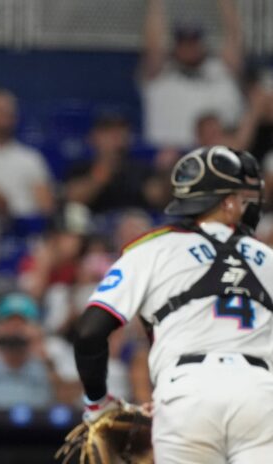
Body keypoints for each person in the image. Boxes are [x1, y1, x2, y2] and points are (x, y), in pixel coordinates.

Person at [73, 145, 273, 462]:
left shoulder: (151, 250)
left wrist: (98, 403)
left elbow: (89, 333)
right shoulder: (268, 258)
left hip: (185, 392)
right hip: (261, 394)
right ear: (228, 202)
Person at [140, 0, 244, 148]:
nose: (188, 48)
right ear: (175, 45)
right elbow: (153, 44)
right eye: (183, 42)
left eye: (193, 41)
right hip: (171, 157)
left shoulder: (220, 70)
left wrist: (226, 4)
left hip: (220, 154)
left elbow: (234, 36)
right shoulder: (160, 74)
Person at [0, 88, 54, 235]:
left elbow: (46, 207)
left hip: (22, 232)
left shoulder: (30, 158)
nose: (1, 116)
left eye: (7, 111)